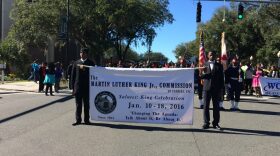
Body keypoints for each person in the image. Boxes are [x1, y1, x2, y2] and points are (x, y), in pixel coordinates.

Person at [200, 51, 224, 130]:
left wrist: (221, 89)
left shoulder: (219, 65)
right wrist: (203, 71)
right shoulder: (204, 64)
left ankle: (216, 123)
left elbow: (221, 78)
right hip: (206, 88)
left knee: (216, 107)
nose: (212, 56)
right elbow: (201, 76)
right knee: (206, 106)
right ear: (208, 56)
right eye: (210, 55)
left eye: (213, 54)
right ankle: (206, 123)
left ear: (215, 55)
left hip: (216, 89)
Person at [71, 48, 95, 126]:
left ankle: (87, 120)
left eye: (84, 53)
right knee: (78, 105)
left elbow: (95, 75)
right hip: (78, 87)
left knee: (86, 105)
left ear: (87, 54)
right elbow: (73, 76)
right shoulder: (76, 63)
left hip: (87, 87)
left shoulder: (91, 63)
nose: (82, 54)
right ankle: (78, 120)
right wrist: (72, 88)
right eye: (81, 52)